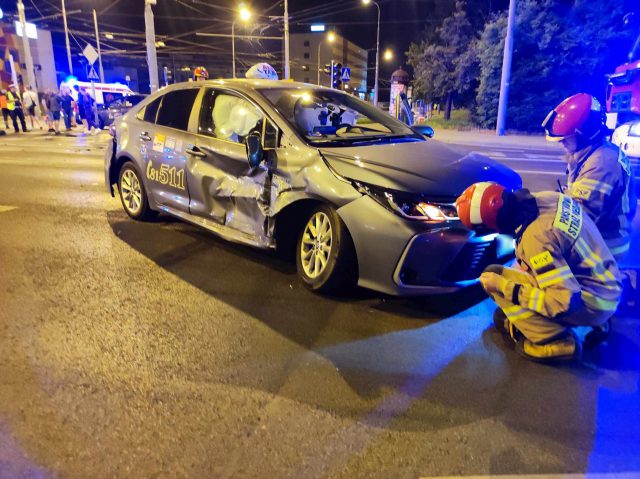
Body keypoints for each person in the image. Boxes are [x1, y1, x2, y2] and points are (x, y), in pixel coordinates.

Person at [455, 182, 623, 363]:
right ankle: (595, 323)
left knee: (496, 280)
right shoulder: (547, 198)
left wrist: (505, 287)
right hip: (606, 283)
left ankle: (557, 343)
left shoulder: (536, 240)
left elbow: (563, 301)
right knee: (501, 293)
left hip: (593, 300)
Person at [543, 93, 637, 262]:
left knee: (543, 260)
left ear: (585, 134)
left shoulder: (601, 163)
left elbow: (579, 218)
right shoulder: (593, 152)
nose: (561, 143)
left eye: (566, 138)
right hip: (600, 234)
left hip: (606, 246)